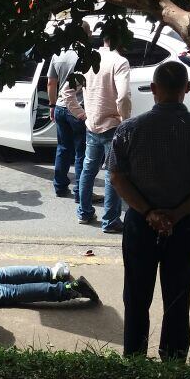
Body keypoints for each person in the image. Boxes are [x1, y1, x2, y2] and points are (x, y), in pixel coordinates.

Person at [108, 61, 190, 361]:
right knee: (178, 298)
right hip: (184, 226)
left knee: (136, 297)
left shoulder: (129, 130)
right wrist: (178, 213)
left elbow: (117, 177)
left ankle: (134, 359)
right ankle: (173, 361)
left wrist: (149, 212)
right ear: (187, 88)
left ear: (153, 89)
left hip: (140, 224)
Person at [79, 27, 130, 232]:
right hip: (112, 126)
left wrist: (81, 113)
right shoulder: (120, 62)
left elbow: (67, 91)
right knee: (112, 174)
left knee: (88, 170)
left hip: (92, 124)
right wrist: (125, 120)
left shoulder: (89, 59)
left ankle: (84, 212)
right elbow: (123, 96)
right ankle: (110, 220)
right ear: (120, 40)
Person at [48, 22, 91, 200]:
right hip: (78, 108)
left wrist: (52, 105)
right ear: (83, 34)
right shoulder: (86, 55)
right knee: (82, 152)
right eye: (89, 32)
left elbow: (51, 83)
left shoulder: (58, 54)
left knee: (63, 148)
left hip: (60, 106)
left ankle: (59, 187)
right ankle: (80, 192)